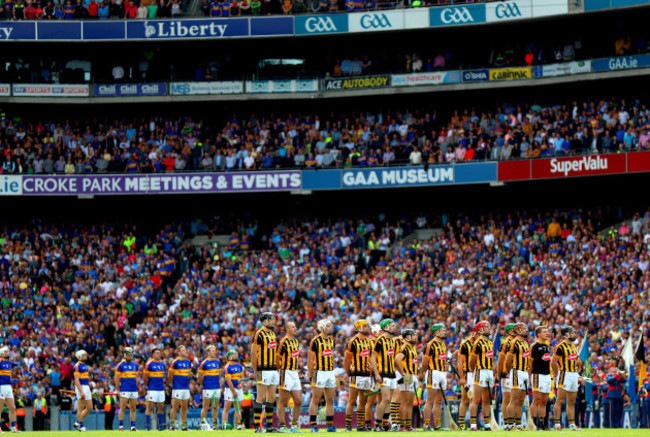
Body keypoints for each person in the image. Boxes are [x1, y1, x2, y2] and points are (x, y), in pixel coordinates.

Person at [343, 319, 377, 432]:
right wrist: (349, 374)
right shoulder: (353, 341)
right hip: (356, 374)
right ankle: (348, 426)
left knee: (363, 401)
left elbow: (371, 358)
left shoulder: (369, 342)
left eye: (368, 325)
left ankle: (360, 426)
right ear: (359, 328)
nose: (368, 328)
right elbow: (347, 361)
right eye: (365, 326)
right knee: (352, 400)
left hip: (367, 374)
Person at [251, 312, 279, 433]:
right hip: (263, 369)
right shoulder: (259, 334)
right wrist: (255, 370)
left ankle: (270, 427)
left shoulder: (272, 334)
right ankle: (257, 426)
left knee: (271, 398)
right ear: (265, 321)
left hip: (273, 369)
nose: (274, 321)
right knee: (260, 397)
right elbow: (253, 353)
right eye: (271, 319)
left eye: (274, 319)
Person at [307, 319, 337, 432]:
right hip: (319, 372)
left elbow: (331, 356)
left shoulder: (331, 340)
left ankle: (330, 426)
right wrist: (310, 375)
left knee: (330, 400)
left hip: (330, 372)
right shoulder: (315, 341)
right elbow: (310, 360)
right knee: (315, 399)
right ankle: (313, 426)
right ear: (322, 328)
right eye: (328, 326)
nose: (331, 328)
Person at [551, 325, 582, 430]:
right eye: (572, 332)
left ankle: (572, 424)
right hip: (564, 374)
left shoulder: (573, 346)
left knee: (572, 401)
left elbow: (576, 361)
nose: (575, 334)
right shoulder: (560, 346)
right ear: (566, 334)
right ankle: (557, 424)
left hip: (574, 374)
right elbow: (553, 362)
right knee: (560, 400)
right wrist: (556, 374)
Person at [421, 323, 448, 431]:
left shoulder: (443, 343)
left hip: (442, 373)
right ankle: (426, 425)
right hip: (433, 372)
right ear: (436, 332)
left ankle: (437, 425)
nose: (445, 332)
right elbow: (424, 362)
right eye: (443, 330)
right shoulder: (430, 344)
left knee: (439, 401)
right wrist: (424, 372)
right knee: (430, 400)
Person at [373, 318, 398, 432]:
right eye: (392, 325)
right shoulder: (380, 340)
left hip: (392, 373)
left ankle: (385, 424)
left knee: (389, 400)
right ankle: (377, 424)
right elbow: (372, 357)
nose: (394, 327)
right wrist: (376, 373)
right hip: (383, 373)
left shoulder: (392, 341)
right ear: (386, 327)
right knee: (386, 398)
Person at [277, 321, 303, 433]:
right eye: (293, 327)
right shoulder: (283, 342)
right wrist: (281, 370)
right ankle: (282, 426)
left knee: (298, 401)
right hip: (285, 372)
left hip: (294, 372)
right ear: (287, 329)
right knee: (283, 401)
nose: (295, 328)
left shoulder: (296, 341)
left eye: (295, 326)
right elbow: (277, 358)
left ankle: (294, 426)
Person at [469, 321, 495, 431]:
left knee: (487, 400)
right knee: (476, 399)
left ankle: (487, 424)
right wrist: (477, 369)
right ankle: (473, 424)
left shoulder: (490, 343)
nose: (489, 328)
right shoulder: (477, 343)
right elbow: (471, 361)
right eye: (486, 327)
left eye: (489, 326)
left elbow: (492, 358)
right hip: (480, 371)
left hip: (489, 372)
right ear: (480, 330)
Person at [504, 323, 530, 431]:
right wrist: (509, 371)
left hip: (524, 372)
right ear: (517, 330)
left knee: (521, 400)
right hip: (517, 371)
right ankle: (510, 424)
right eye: (523, 328)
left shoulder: (525, 342)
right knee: (514, 399)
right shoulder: (514, 342)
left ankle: (518, 424)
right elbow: (508, 359)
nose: (525, 330)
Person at [395, 329, 419, 432]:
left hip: (412, 376)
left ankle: (408, 426)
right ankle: (402, 425)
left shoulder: (412, 347)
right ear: (407, 337)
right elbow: (397, 360)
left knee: (409, 402)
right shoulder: (404, 347)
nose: (416, 337)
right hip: (407, 376)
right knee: (404, 402)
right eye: (413, 335)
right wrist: (403, 374)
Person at [529, 326, 552, 430]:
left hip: (547, 375)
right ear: (538, 334)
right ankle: (533, 423)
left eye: (547, 332)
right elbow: (530, 363)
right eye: (544, 332)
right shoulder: (534, 346)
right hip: (537, 375)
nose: (547, 334)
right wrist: (529, 377)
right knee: (536, 400)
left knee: (544, 401)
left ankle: (542, 424)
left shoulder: (547, 346)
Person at [456, 326, 477, 430]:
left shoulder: (480, 343)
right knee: (465, 400)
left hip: (477, 374)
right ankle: (461, 424)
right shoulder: (465, 344)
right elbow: (459, 362)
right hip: (468, 374)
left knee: (474, 400)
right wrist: (462, 377)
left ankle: (473, 424)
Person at [115, 347, 139, 431]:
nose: (130, 356)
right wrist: (118, 390)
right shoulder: (120, 365)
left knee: (133, 408)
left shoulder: (135, 365)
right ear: (125, 355)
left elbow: (135, 378)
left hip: (133, 389)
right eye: (128, 355)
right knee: (122, 408)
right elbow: (117, 379)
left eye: (131, 355)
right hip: (124, 389)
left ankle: (133, 427)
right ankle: (121, 427)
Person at [168, 345, 192, 431]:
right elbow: (170, 375)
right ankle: (172, 426)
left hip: (186, 387)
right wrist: (173, 384)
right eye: (183, 350)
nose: (185, 351)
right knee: (175, 407)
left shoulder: (188, 363)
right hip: (177, 387)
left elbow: (189, 375)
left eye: (185, 350)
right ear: (178, 352)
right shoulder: (175, 362)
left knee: (184, 407)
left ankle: (184, 426)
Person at [198, 344, 222, 431]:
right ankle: (203, 424)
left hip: (216, 387)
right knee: (205, 406)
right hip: (208, 388)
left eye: (215, 350)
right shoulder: (204, 363)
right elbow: (200, 377)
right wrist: (203, 385)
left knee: (215, 407)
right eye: (212, 350)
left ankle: (215, 425)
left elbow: (219, 375)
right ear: (208, 352)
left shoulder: (218, 362)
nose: (214, 352)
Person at [497, 323, 516, 430]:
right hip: (507, 373)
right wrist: (500, 374)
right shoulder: (505, 343)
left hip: (515, 373)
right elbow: (500, 361)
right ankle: (508, 423)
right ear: (510, 331)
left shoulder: (517, 341)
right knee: (508, 399)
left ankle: (510, 423)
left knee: (513, 399)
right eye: (515, 329)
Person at [144, 348, 167, 431]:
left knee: (161, 407)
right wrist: (149, 386)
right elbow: (145, 378)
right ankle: (147, 426)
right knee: (150, 407)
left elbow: (164, 377)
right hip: (152, 389)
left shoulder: (162, 365)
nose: (159, 354)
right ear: (153, 354)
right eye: (157, 353)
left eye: (159, 353)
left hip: (160, 388)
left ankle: (160, 426)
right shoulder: (149, 364)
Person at [223, 350, 245, 430]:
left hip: (239, 389)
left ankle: (238, 425)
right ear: (230, 357)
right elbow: (229, 381)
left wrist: (241, 384)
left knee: (238, 407)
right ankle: (224, 425)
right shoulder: (227, 367)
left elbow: (242, 377)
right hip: (230, 389)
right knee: (227, 407)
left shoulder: (239, 366)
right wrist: (234, 391)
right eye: (234, 354)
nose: (236, 355)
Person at [0, 347, 20, 433]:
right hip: (1, 386)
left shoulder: (10, 363)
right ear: (2, 353)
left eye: (8, 351)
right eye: (6, 351)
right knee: (0, 408)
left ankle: (12, 427)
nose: (8, 353)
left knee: (12, 408)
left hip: (8, 387)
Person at [73, 350, 92, 432]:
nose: (86, 356)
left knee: (90, 407)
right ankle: (81, 426)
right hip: (81, 387)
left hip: (86, 387)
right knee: (80, 408)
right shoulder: (77, 366)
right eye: (84, 355)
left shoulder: (84, 365)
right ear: (80, 356)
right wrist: (81, 391)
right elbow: (76, 380)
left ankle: (77, 422)